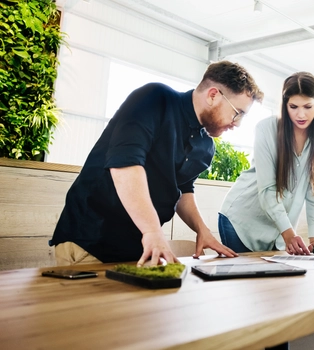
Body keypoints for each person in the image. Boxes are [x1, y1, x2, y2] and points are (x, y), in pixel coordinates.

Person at [50, 60, 264, 267]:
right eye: (238, 113)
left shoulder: (205, 146)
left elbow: (183, 191)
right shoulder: (154, 99)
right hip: (90, 240)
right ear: (213, 95)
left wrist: (202, 230)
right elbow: (125, 165)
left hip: (138, 249)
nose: (237, 124)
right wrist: (153, 232)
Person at [218, 72, 314, 255]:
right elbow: (268, 190)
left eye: (308, 106)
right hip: (242, 221)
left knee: (271, 283)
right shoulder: (266, 129)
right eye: (293, 106)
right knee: (244, 282)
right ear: (285, 104)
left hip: (277, 229)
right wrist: (288, 233)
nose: (300, 114)